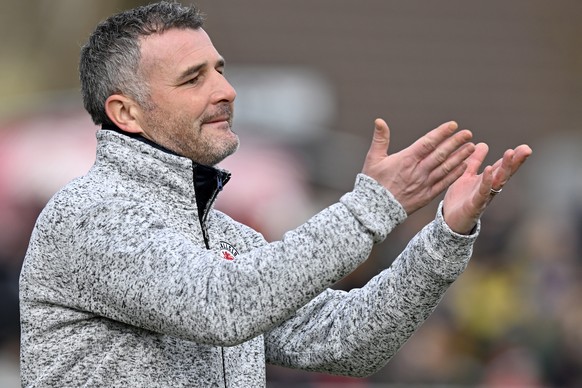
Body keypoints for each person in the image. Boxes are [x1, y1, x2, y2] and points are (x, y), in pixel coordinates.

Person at [19, 1, 532, 387]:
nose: (225, 90)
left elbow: (349, 339)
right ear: (125, 112)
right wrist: (372, 206)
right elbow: (218, 305)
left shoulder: (223, 237)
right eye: (193, 78)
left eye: (219, 69)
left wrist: (445, 234)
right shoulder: (88, 215)